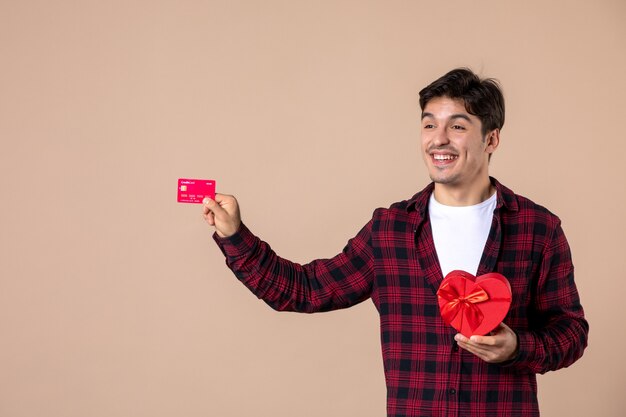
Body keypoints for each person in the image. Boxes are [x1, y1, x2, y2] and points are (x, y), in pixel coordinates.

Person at [202, 68, 589, 417]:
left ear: (491, 139)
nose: (439, 140)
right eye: (428, 125)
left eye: (457, 126)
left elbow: (570, 332)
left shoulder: (538, 229)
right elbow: (303, 289)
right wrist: (235, 235)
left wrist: (518, 348)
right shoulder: (390, 231)